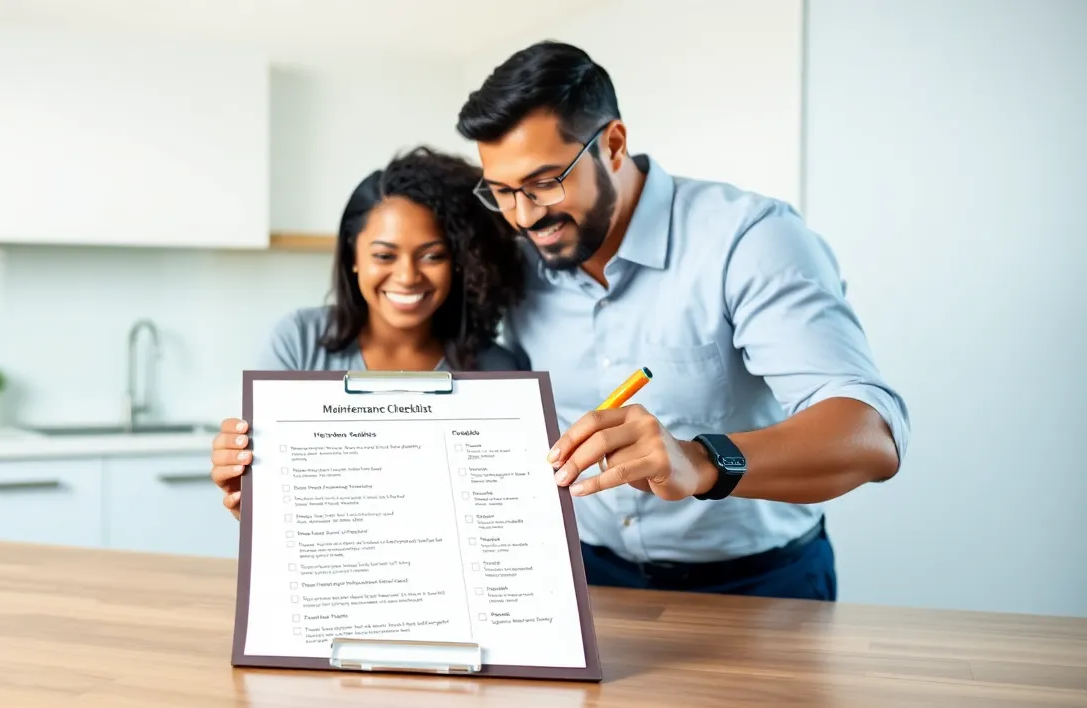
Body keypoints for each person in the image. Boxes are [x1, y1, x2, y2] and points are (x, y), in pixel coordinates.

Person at [446, 41, 910, 600]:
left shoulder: (749, 239)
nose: (525, 216)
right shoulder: (517, 260)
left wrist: (700, 460)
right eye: (502, 191)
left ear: (613, 144)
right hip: (587, 577)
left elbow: (871, 436)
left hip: (759, 583)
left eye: (546, 182)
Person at [210, 147, 526, 516]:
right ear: (353, 257)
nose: (408, 276)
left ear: (459, 263)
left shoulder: (497, 371)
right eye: (384, 256)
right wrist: (245, 498)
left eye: (432, 255)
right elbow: (269, 510)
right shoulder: (298, 341)